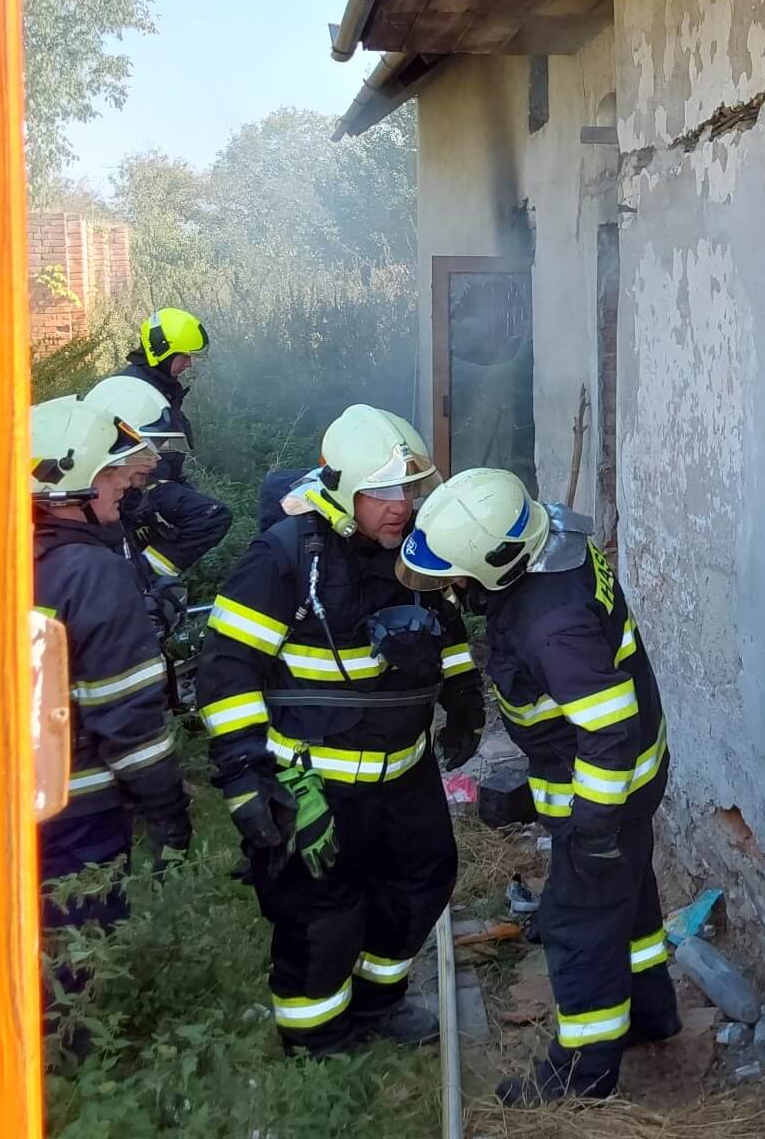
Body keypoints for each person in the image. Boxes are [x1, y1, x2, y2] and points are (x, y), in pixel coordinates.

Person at [194, 404, 484, 1054]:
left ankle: (379, 1004)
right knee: (321, 913)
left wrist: (464, 696)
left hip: (405, 772)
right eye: (382, 491)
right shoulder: (285, 558)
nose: (401, 505)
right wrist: (246, 774)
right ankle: (317, 1040)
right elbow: (226, 668)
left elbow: (450, 635)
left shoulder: (415, 556)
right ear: (343, 489)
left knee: (421, 882)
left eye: (409, 489)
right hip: (314, 779)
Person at [403, 469, 678, 1105]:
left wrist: (593, 826)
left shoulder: (551, 625)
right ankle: (651, 1015)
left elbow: (606, 728)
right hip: (624, 782)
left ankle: (581, 1076)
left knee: (577, 925)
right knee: (627, 903)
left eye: (458, 574)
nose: (452, 586)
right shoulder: (548, 544)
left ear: (495, 565)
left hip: (607, 792)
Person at [30, 396, 191, 1014]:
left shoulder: (1, 557)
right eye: (109, 472)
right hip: (84, 811)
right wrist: (168, 810)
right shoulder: (93, 573)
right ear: (65, 483)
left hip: (13, 805)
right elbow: (128, 721)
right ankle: (68, 1073)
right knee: (77, 963)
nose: (124, 481)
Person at [91, 307, 232, 601]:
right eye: (183, 356)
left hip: (152, 483)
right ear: (162, 352)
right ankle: (146, 579)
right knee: (211, 517)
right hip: (135, 488)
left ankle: (144, 574)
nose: (189, 363)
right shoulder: (132, 393)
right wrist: (147, 498)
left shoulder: (154, 386)